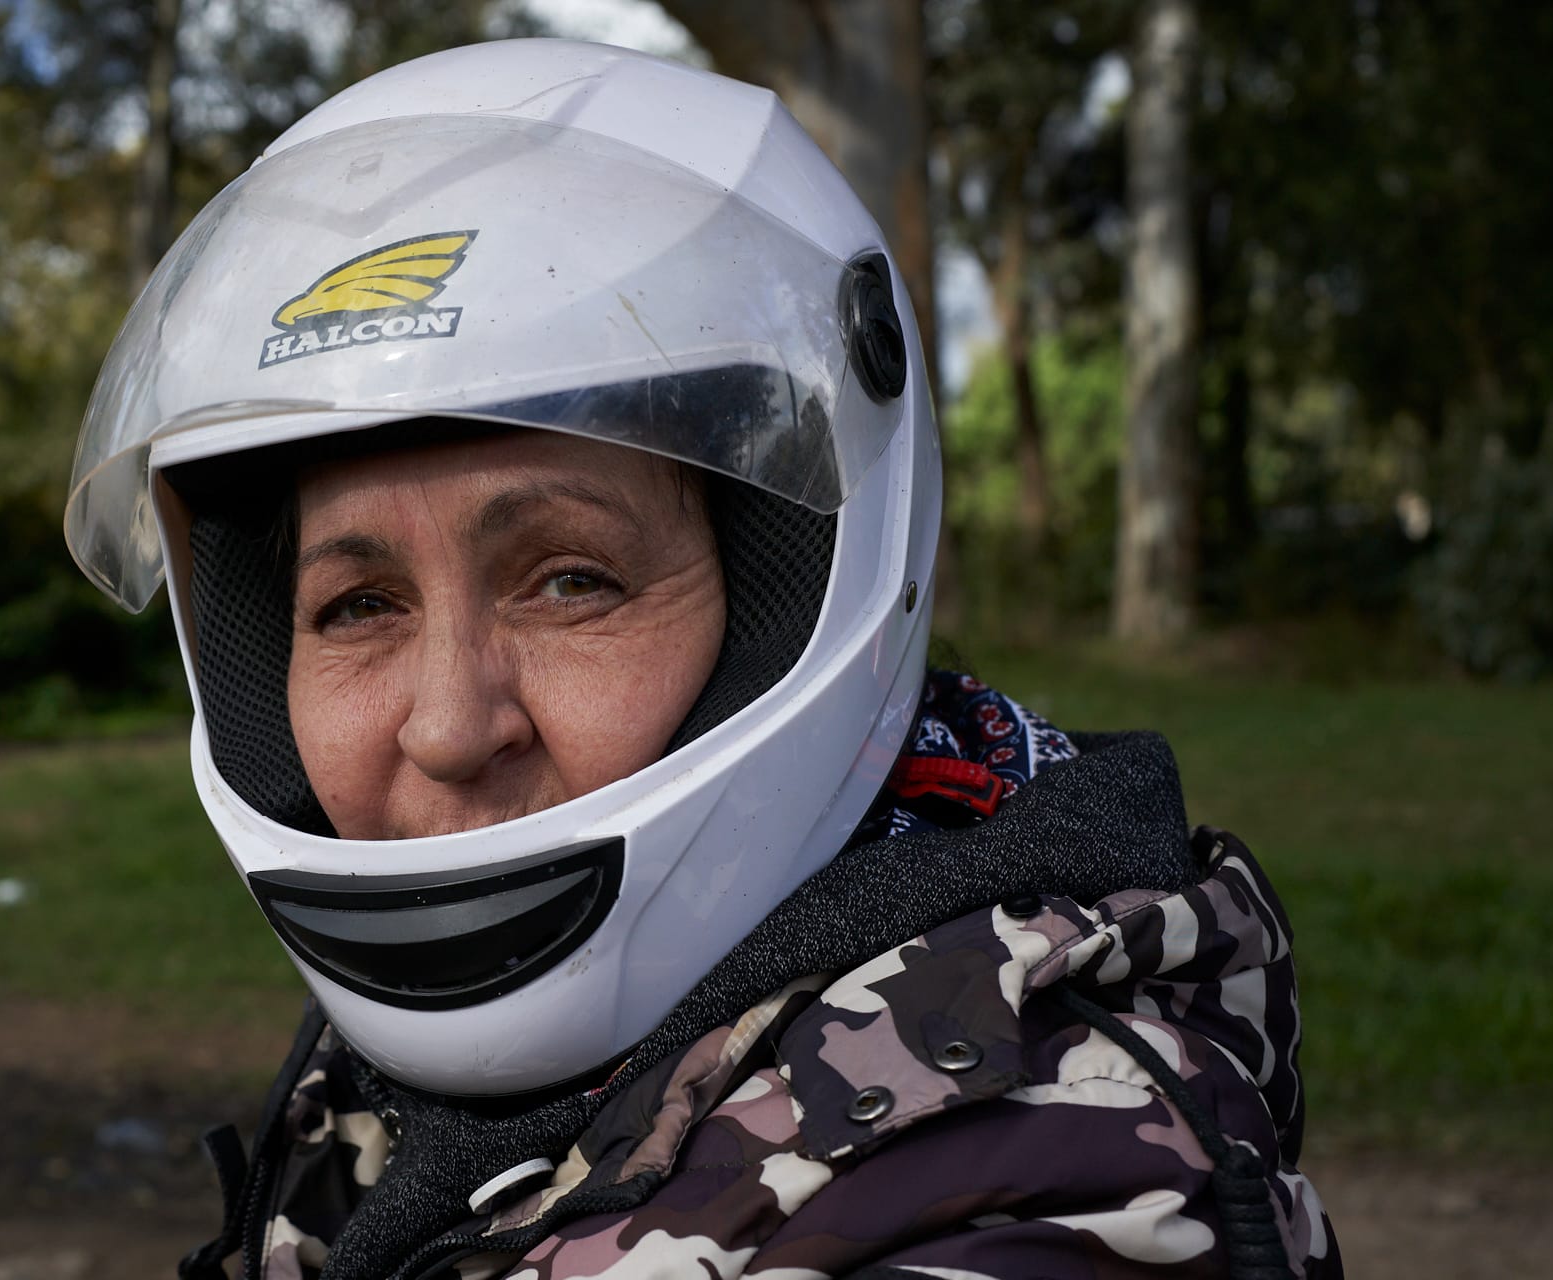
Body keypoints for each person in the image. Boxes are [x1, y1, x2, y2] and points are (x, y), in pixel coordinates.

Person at [66, 39, 1340, 1280]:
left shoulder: (1036, 1172)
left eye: (573, 580)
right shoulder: (401, 1092)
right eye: (357, 605)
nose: (451, 726)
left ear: (800, 590)